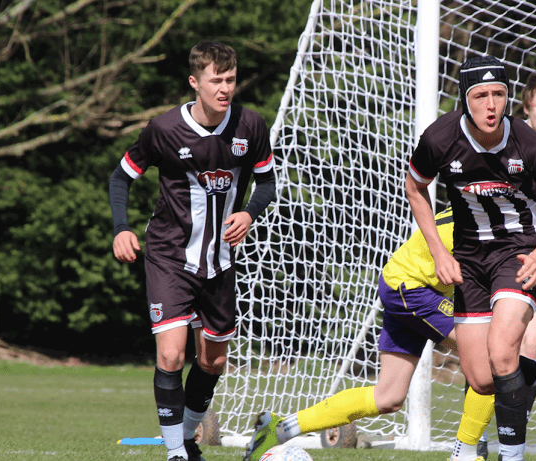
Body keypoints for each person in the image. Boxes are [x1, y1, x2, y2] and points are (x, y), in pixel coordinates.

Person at [405, 55, 536, 461]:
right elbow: (416, 188)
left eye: (498, 94)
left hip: (515, 255)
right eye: (480, 95)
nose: (490, 105)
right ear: (465, 99)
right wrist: (438, 251)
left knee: (503, 357)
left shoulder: (528, 145)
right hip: (468, 259)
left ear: (508, 98)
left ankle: (511, 456)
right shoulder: (439, 139)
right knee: (483, 379)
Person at [109, 41, 276, 461]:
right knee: (171, 353)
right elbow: (121, 177)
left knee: (213, 362)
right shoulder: (164, 129)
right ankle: (175, 455)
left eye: (231, 80)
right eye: (216, 80)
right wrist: (121, 229)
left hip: (219, 263)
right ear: (194, 82)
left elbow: (268, 183)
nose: (224, 88)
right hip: (169, 256)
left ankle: (186, 439)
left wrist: (250, 213)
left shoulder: (250, 126)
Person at [450, 68, 536, 461]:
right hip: (493, 258)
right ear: (526, 105)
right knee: (487, 355)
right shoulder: (503, 144)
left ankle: (509, 443)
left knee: (523, 346)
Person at [243, 208, 459, 461]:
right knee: (485, 356)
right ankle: (468, 452)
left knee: (388, 398)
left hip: (403, 282)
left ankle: (280, 428)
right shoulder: (490, 215)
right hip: (411, 288)